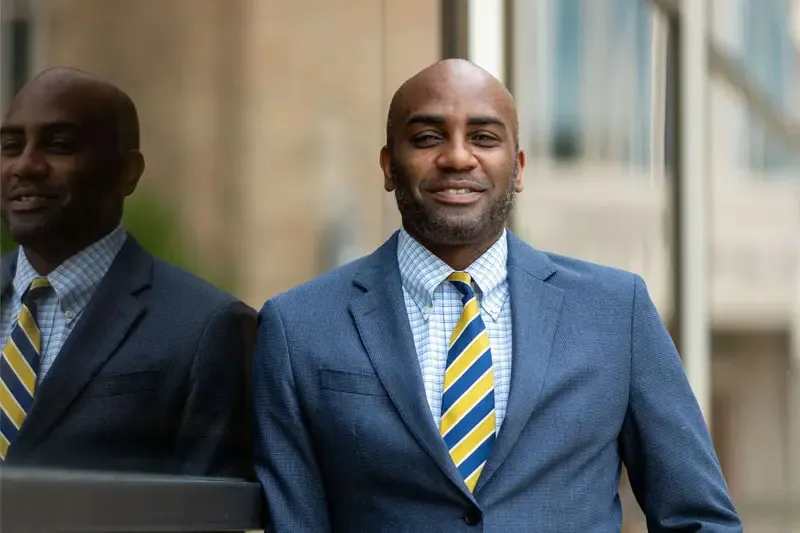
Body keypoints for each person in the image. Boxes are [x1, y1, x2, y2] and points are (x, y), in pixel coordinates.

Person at [251, 59, 741, 531]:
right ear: (387, 166)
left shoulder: (616, 311)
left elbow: (698, 518)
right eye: (427, 138)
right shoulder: (297, 327)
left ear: (519, 167)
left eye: (483, 137)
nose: (458, 157)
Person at [0, 67, 255, 478]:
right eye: (11, 146)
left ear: (128, 172)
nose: (25, 166)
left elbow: (207, 513)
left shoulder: (207, 328)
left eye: (59, 145)